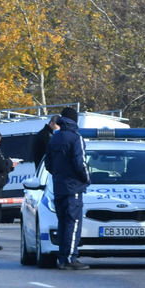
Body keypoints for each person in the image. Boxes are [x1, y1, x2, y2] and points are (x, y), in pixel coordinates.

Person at [45, 106, 91, 270]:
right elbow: (81, 163)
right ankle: (71, 257)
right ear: (75, 120)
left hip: (59, 186)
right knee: (74, 222)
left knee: (63, 222)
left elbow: (48, 163)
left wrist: (59, 174)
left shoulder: (55, 138)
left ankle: (63, 257)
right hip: (73, 188)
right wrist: (86, 179)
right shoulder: (75, 138)